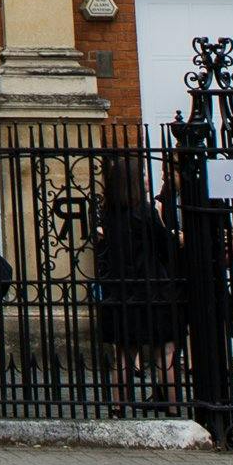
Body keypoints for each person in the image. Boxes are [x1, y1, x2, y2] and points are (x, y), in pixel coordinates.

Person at [91, 160, 184, 403]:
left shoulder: (109, 214)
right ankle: (173, 409)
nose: (146, 178)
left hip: (122, 290)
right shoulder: (146, 212)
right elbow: (166, 247)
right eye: (142, 174)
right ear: (132, 181)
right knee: (165, 352)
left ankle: (118, 408)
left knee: (124, 353)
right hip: (152, 290)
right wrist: (174, 236)